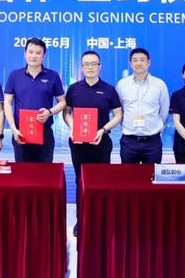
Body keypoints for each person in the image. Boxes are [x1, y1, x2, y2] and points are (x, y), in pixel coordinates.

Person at [63, 50, 122, 237]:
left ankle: (101, 220)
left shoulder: (109, 89)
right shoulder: (74, 89)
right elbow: (66, 112)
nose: (90, 67)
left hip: (101, 142)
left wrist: (103, 129)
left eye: (93, 63)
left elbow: (118, 115)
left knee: (101, 182)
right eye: (86, 64)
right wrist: (73, 127)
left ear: (100, 66)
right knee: (80, 181)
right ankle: (81, 220)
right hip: (78, 144)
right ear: (81, 67)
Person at [4, 38, 66, 162]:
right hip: (20, 132)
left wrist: (49, 112)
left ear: (43, 55)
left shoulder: (53, 76)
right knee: (22, 171)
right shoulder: (15, 75)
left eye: (38, 53)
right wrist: (13, 129)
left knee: (44, 171)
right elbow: (7, 103)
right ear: (25, 53)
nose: (34, 56)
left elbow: (62, 102)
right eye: (31, 52)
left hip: (44, 132)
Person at [116, 47, 169, 164]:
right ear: (130, 63)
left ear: (149, 62)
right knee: (128, 174)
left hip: (152, 141)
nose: (138, 63)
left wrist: (157, 128)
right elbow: (120, 111)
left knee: (151, 174)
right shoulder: (122, 84)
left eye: (142, 60)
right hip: (129, 141)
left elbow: (164, 112)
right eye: (135, 60)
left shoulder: (159, 84)